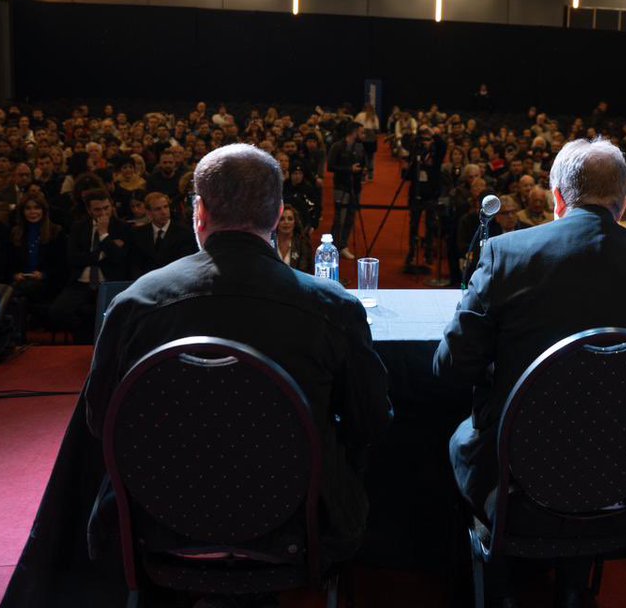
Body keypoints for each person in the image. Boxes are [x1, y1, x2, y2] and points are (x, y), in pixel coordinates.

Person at [83, 144, 391, 566]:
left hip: (155, 519)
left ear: (199, 212)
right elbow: (370, 420)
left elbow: (102, 422)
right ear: (279, 213)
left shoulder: (136, 304)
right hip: (298, 525)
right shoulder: (331, 308)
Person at [434, 138, 626, 604]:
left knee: (460, 439)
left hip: (519, 479)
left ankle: (497, 586)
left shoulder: (507, 254)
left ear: (557, 197)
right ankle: (574, 586)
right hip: (625, 481)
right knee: (591, 433)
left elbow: (451, 365)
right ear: (624, 204)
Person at [49, 190, 132, 343]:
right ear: (89, 210)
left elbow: (119, 258)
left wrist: (103, 235)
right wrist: (101, 254)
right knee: (58, 311)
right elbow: (73, 258)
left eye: (106, 208)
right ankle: (84, 338)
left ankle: (92, 341)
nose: (103, 213)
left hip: (108, 283)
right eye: (98, 209)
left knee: (108, 313)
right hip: (80, 283)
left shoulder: (122, 228)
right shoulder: (78, 227)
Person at [128, 192, 198, 278]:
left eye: (166, 207)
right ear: (149, 213)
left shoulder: (184, 233)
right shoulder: (138, 234)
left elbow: (185, 264)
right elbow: (135, 264)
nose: (164, 212)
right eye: (158, 209)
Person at [327, 122, 365, 260]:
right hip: (341, 187)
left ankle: (343, 246)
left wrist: (363, 170)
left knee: (350, 218)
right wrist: (349, 169)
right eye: (361, 132)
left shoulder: (360, 147)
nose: (363, 135)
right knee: (339, 219)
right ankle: (331, 248)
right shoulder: (337, 146)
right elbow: (330, 167)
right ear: (353, 132)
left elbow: (363, 163)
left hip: (355, 187)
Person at [275, 202, 314, 274]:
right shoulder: (269, 243)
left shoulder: (303, 244)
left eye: (290, 219)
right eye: (282, 219)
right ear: (276, 223)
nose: (286, 222)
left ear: (295, 222)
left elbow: (306, 272)